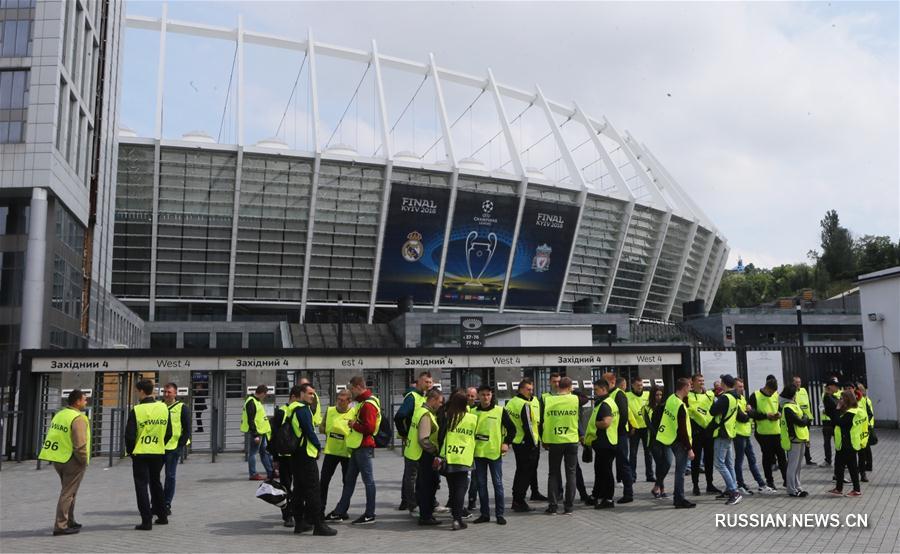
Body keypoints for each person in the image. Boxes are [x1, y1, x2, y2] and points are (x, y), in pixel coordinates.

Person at [283, 383, 337, 536]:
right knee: (314, 490)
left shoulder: (292, 409)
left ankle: (299, 524)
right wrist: (318, 446)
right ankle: (319, 525)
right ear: (301, 394)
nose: (312, 396)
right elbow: (309, 431)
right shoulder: (303, 410)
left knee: (299, 490)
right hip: (306, 455)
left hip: (296, 455)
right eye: (309, 393)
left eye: (313, 394)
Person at [328, 376, 381, 525]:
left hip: (363, 446)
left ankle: (370, 514)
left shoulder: (367, 404)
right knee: (350, 480)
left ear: (358, 386)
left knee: (368, 481)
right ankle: (339, 511)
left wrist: (353, 425)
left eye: (352, 389)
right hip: (358, 447)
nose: (351, 392)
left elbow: (369, 428)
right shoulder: (367, 401)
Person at [39, 389, 90, 535]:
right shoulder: (78, 418)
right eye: (84, 399)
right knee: (68, 493)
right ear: (77, 401)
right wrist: (83, 460)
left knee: (69, 491)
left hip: (58, 458)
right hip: (72, 460)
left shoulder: (60, 414)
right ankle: (61, 525)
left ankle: (69, 520)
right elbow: (80, 444)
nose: (86, 402)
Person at [125, 379, 172, 530]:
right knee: (156, 483)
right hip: (157, 452)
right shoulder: (163, 407)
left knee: (141, 486)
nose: (136, 394)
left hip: (141, 453)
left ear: (141, 391)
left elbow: (130, 436)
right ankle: (162, 516)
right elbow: (169, 432)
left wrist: (132, 452)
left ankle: (146, 521)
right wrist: (159, 444)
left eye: (136, 391)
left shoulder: (137, 410)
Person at [472, 384, 515, 525]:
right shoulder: (472, 412)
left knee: (498, 484)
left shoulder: (500, 411)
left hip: (494, 453)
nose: (486, 397)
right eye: (483, 394)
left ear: (491, 395)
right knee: (481, 485)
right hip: (478, 454)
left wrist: (506, 443)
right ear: (478, 396)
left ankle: (500, 514)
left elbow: (512, 429)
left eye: (488, 394)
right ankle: (484, 514)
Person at [435, 390, 478, 530]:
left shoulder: (449, 418)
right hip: (464, 458)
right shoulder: (472, 418)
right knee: (461, 489)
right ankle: (457, 520)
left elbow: (443, 438)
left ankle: (456, 517)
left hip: (449, 458)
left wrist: (440, 456)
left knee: (453, 489)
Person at [541, 376, 580, 515]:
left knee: (553, 473)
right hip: (571, 440)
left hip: (555, 440)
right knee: (571, 473)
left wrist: (543, 439)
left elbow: (542, 421)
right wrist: (573, 391)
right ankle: (568, 507)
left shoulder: (548, 400)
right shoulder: (575, 399)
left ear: (558, 386)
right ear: (570, 388)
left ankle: (553, 506)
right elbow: (585, 398)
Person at [394, 371, 433, 512]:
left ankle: (405, 500)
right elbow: (399, 416)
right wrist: (404, 433)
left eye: (430, 382)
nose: (428, 385)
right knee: (412, 474)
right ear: (419, 382)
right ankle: (411, 503)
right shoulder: (413, 397)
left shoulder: (424, 397)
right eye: (425, 382)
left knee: (410, 473)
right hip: (414, 441)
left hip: (421, 441)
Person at [656, 378, 695, 509]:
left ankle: (678, 497)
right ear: (684, 387)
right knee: (680, 471)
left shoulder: (671, 399)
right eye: (689, 386)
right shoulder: (680, 405)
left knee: (679, 470)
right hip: (680, 442)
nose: (690, 388)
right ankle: (679, 498)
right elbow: (683, 429)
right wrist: (689, 448)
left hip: (671, 438)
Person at [506, 378, 541, 513]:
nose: (531, 392)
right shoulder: (524, 404)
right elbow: (528, 426)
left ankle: (517, 499)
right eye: (528, 389)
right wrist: (534, 443)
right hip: (527, 443)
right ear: (521, 389)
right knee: (525, 473)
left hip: (517, 441)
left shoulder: (511, 403)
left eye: (532, 389)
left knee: (520, 471)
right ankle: (519, 500)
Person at [732, 378, 772, 496]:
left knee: (752, 460)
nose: (742, 388)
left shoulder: (742, 398)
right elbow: (743, 417)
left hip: (746, 433)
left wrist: (749, 412)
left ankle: (761, 484)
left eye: (742, 386)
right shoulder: (733, 400)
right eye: (739, 386)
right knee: (739, 461)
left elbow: (752, 413)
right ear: (734, 387)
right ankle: (740, 485)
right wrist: (748, 412)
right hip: (738, 434)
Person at [411, 388, 444, 526]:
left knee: (423, 485)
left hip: (418, 454)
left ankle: (425, 514)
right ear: (433, 400)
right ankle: (426, 516)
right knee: (427, 486)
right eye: (440, 402)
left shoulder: (419, 411)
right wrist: (435, 450)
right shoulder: (426, 415)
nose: (441, 405)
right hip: (426, 455)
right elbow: (424, 439)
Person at [319, 389, 354, 514]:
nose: (339, 402)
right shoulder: (330, 410)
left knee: (347, 482)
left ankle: (343, 510)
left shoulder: (354, 412)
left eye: (342, 400)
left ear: (349, 401)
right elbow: (321, 427)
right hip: (331, 451)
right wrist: (331, 430)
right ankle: (320, 509)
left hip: (347, 453)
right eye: (338, 399)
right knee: (323, 481)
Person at [748, 377, 787, 490]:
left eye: (774, 392)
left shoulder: (776, 395)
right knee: (767, 458)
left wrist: (779, 414)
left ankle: (786, 480)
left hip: (777, 432)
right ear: (766, 387)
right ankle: (769, 481)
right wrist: (766, 416)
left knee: (782, 457)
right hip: (763, 433)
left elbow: (779, 408)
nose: (772, 394)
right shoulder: (755, 395)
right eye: (770, 391)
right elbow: (751, 413)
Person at [709, 374, 742, 506]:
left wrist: (716, 401)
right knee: (729, 464)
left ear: (724, 384)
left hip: (722, 433)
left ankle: (734, 492)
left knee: (719, 463)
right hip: (729, 432)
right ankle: (730, 489)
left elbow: (712, 411)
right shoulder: (735, 396)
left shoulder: (725, 398)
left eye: (721, 382)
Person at [585, 379, 617, 509]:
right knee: (600, 470)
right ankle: (596, 495)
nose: (595, 392)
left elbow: (606, 422)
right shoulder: (605, 402)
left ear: (604, 389)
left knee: (606, 471)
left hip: (606, 443)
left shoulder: (605, 404)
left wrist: (595, 424)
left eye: (596, 389)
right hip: (604, 442)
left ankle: (608, 499)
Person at [828, 389, 866, 497]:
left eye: (841, 398)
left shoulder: (851, 413)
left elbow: (838, 422)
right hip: (846, 443)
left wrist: (837, 408)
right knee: (839, 466)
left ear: (847, 400)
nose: (839, 400)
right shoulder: (856, 410)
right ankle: (839, 488)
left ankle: (856, 490)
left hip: (848, 444)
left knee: (852, 467)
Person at [687, 373, 720, 496]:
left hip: (708, 432)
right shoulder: (688, 396)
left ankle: (710, 484)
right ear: (693, 382)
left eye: (703, 380)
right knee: (695, 460)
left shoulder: (709, 394)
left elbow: (713, 410)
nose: (702, 382)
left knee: (709, 459)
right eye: (699, 381)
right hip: (696, 432)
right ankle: (695, 486)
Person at [161, 383, 191, 515]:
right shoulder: (159, 407)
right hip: (158, 447)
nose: (166, 394)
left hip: (173, 448)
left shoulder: (182, 408)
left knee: (170, 476)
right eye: (165, 392)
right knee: (154, 477)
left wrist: (180, 444)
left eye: (169, 392)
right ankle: (157, 501)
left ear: (175, 393)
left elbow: (187, 428)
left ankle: (167, 503)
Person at [272, 387, 300, 527]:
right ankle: (288, 515)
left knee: (300, 486)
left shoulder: (301, 410)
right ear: (294, 396)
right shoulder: (283, 411)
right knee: (286, 486)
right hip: (285, 455)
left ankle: (298, 512)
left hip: (299, 454)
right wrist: (275, 457)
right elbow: (274, 435)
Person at [605, 374, 634, 503]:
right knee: (608, 465)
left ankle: (628, 493)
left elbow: (623, 415)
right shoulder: (610, 394)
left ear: (612, 382)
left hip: (620, 435)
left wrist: (617, 431)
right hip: (611, 435)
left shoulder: (619, 394)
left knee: (623, 464)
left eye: (604, 381)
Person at [778, 383, 810, 497]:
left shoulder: (793, 405)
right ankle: (791, 489)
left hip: (800, 438)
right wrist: (805, 418)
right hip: (794, 439)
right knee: (792, 466)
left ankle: (797, 486)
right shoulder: (788, 408)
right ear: (792, 394)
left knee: (797, 466)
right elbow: (801, 421)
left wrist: (804, 418)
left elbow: (803, 419)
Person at [645, 384, 672, 499]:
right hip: (654, 440)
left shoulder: (665, 407)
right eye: (657, 395)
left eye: (661, 394)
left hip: (665, 438)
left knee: (668, 462)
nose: (659, 397)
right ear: (652, 395)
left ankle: (656, 486)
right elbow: (648, 424)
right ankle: (662, 489)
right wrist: (658, 434)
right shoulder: (646, 408)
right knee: (660, 464)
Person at [240, 384, 273, 481]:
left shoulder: (256, 401)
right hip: (257, 433)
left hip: (261, 432)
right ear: (262, 393)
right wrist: (255, 435)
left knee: (264, 452)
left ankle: (270, 472)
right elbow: (251, 420)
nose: (265, 396)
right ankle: (253, 474)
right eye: (265, 394)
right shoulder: (252, 402)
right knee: (253, 453)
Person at [626, 376, 654, 483]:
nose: (640, 387)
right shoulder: (627, 396)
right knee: (633, 453)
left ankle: (650, 475)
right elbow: (626, 412)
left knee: (648, 452)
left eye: (641, 385)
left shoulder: (647, 395)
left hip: (646, 428)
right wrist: (631, 426)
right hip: (635, 428)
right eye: (637, 385)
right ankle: (632, 476)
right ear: (632, 385)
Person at [791, 376, 815, 465]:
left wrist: (810, 416)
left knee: (807, 439)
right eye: (796, 382)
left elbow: (808, 403)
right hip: (798, 419)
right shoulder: (791, 392)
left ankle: (808, 458)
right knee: (799, 439)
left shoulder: (804, 390)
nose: (798, 384)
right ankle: (797, 459)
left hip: (806, 418)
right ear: (793, 383)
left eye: (799, 382)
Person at [818, 377, 841, 468]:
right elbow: (821, 406)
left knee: (838, 442)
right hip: (827, 422)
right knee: (827, 442)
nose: (837, 387)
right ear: (830, 386)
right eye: (835, 385)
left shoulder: (837, 394)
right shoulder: (826, 396)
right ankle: (828, 460)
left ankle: (840, 461)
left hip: (835, 423)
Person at [856, 382, 874, 482]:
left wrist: (864, 423)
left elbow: (870, 414)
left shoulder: (864, 400)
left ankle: (863, 473)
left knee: (862, 453)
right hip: (853, 433)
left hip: (863, 431)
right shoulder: (850, 400)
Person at [465, 386, 480, 513]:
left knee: (474, 476)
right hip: (463, 448)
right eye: (468, 395)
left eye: (472, 396)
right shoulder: (461, 408)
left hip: (475, 447)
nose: (470, 398)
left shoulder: (478, 410)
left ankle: (472, 500)